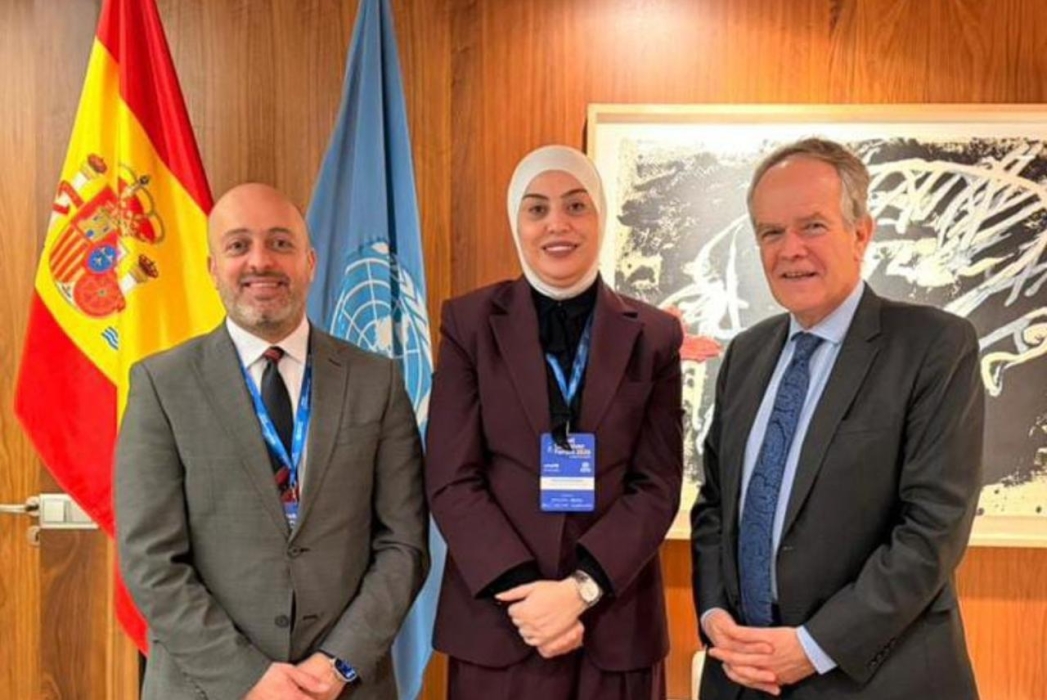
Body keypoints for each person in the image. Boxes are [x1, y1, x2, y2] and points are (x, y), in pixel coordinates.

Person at [690, 138, 985, 699]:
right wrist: (713, 615)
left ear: (861, 233)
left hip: (874, 678)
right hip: (743, 676)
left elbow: (932, 530)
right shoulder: (746, 354)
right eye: (771, 232)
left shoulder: (933, 346)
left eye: (813, 226)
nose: (790, 249)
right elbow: (716, 505)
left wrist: (812, 646)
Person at [116, 183, 429, 700]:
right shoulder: (161, 385)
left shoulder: (378, 381)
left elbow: (404, 544)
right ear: (212, 267)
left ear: (310, 262)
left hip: (344, 686)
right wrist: (250, 677)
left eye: (280, 243)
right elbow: (150, 561)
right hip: (207, 686)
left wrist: (338, 663)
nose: (260, 261)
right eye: (238, 245)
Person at [426, 145, 684, 700]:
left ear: (601, 215)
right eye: (537, 208)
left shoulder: (655, 335)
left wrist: (580, 590)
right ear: (515, 221)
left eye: (576, 205)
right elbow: (451, 478)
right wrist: (529, 597)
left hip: (615, 620)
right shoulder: (469, 323)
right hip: (503, 623)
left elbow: (657, 484)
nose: (557, 224)